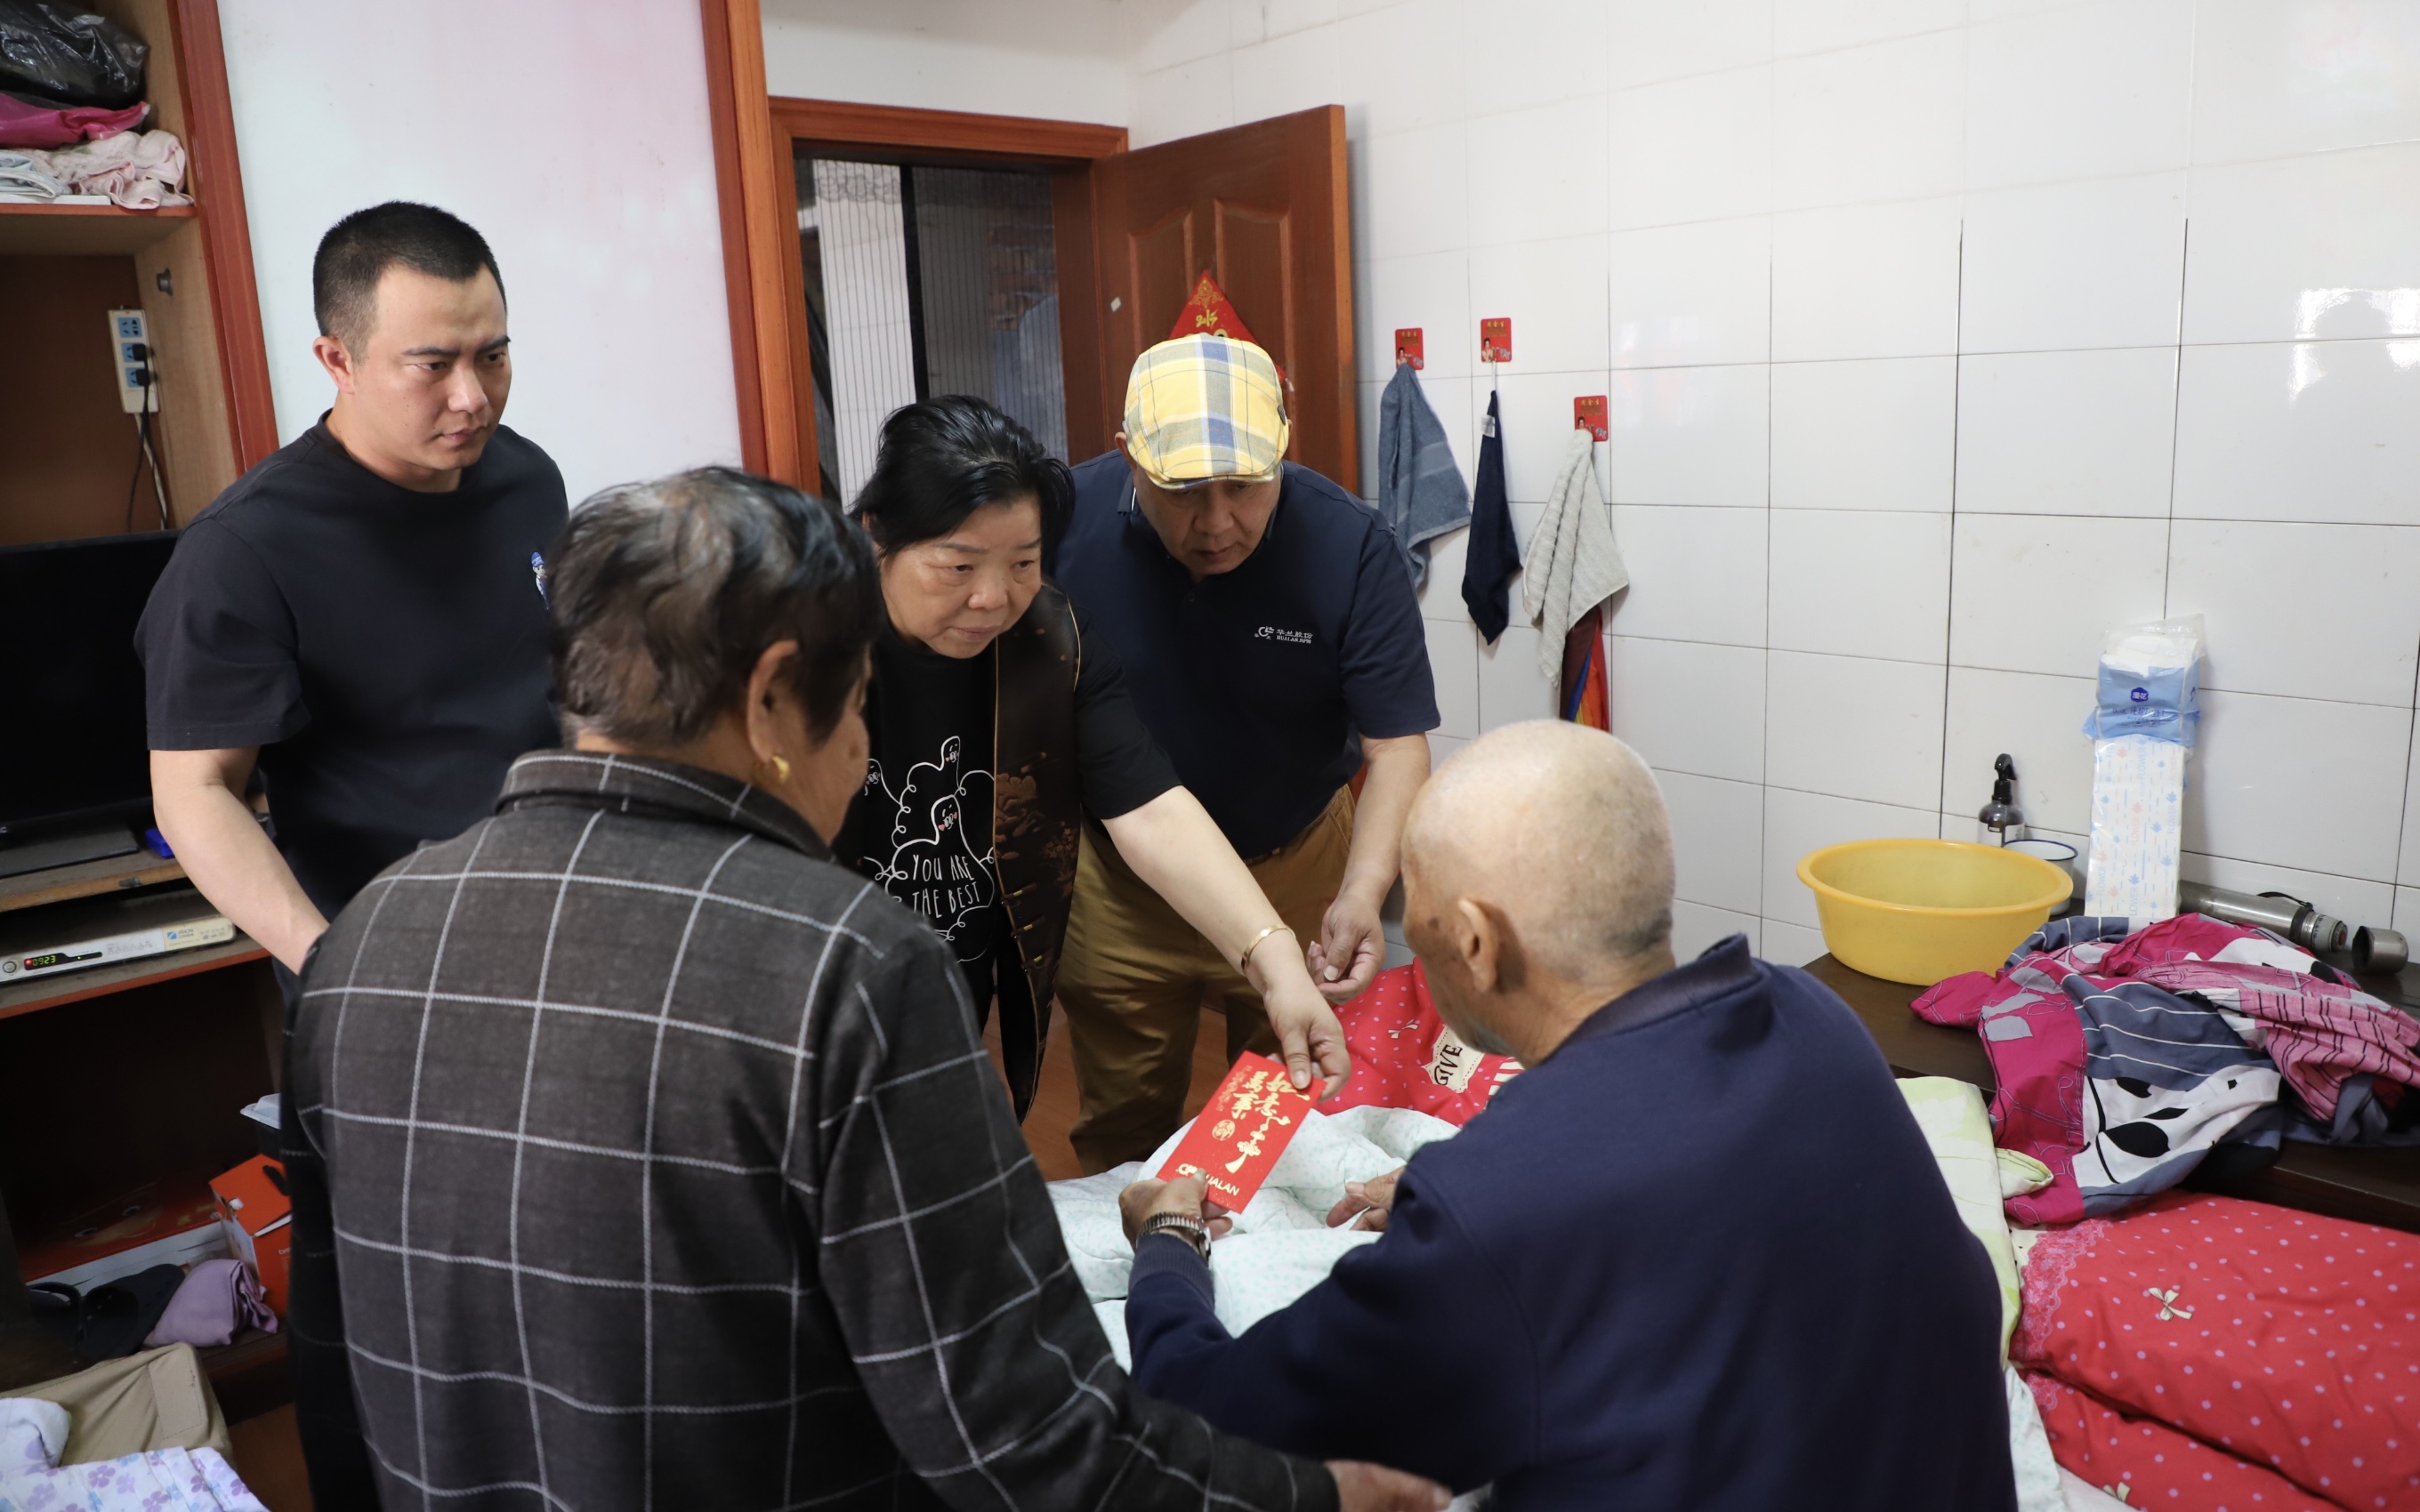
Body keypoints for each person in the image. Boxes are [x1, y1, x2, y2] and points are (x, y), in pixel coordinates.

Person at [278, 468, 1448, 1512]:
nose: (864, 753)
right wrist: (1307, 1493)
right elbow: (1019, 1428)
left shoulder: (365, 934)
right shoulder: (850, 968)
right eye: (857, 706)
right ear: (773, 698)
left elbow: (328, 1374)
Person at [1116, 722, 2017, 1511]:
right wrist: (1470, 1190)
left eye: (1413, 916)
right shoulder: (1812, 1016)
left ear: (1474, 941)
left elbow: (1208, 1426)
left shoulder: (1497, 1212)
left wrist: (1167, 1242)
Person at [833, 396, 1348, 1115]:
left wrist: (1276, 958)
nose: (993, 598)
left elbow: (1149, 808)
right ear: (877, 534)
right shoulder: (812, 647)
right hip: (818, 987)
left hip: (948, 985)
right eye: (957, 566)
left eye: (1023, 562)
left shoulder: (1053, 639)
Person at [138, 201, 561, 985]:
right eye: (433, 365)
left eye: (493, 356)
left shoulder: (528, 476)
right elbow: (195, 791)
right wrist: (331, 964)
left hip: (552, 918)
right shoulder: (242, 550)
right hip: (384, 955)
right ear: (338, 360)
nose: (473, 397)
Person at [1053, 334, 1438, 1169]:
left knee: (1288, 1115)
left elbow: (1397, 747)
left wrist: (1364, 889)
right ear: (1129, 458)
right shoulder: (1059, 525)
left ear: (1284, 446)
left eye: (1246, 487)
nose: (1218, 522)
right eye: (1183, 492)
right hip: (1121, 887)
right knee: (1122, 1131)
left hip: (1296, 868)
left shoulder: (1349, 544)